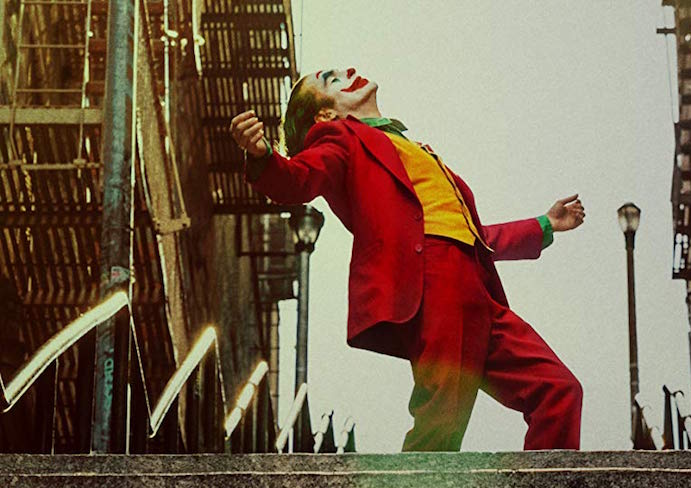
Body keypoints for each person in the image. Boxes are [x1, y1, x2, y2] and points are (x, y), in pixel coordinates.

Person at [229, 67, 585, 451]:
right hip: (432, 282)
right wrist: (263, 156)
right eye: (331, 79)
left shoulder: (415, 149)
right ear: (326, 115)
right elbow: (299, 178)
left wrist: (544, 224)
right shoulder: (339, 137)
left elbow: (472, 236)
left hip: (477, 291)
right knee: (442, 412)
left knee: (558, 391)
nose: (347, 71)